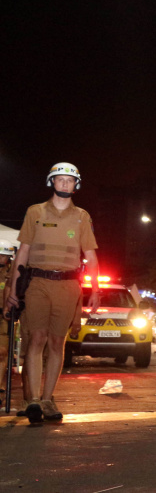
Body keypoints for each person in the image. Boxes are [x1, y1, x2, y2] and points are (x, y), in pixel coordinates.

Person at [5, 163, 100, 424]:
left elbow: (90, 256)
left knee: (57, 342)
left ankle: (47, 399)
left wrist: (95, 289)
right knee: (36, 338)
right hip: (37, 282)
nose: (65, 184)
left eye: (70, 180)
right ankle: (33, 399)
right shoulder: (34, 211)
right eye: (60, 179)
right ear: (52, 182)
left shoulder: (82, 216)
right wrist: (12, 289)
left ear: (76, 185)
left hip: (68, 285)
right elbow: (22, 252)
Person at [0, 240, 14, 393]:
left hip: (4, 316)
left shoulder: (12, 274)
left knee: (2, 352)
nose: (0, 258)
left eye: (4, 255)